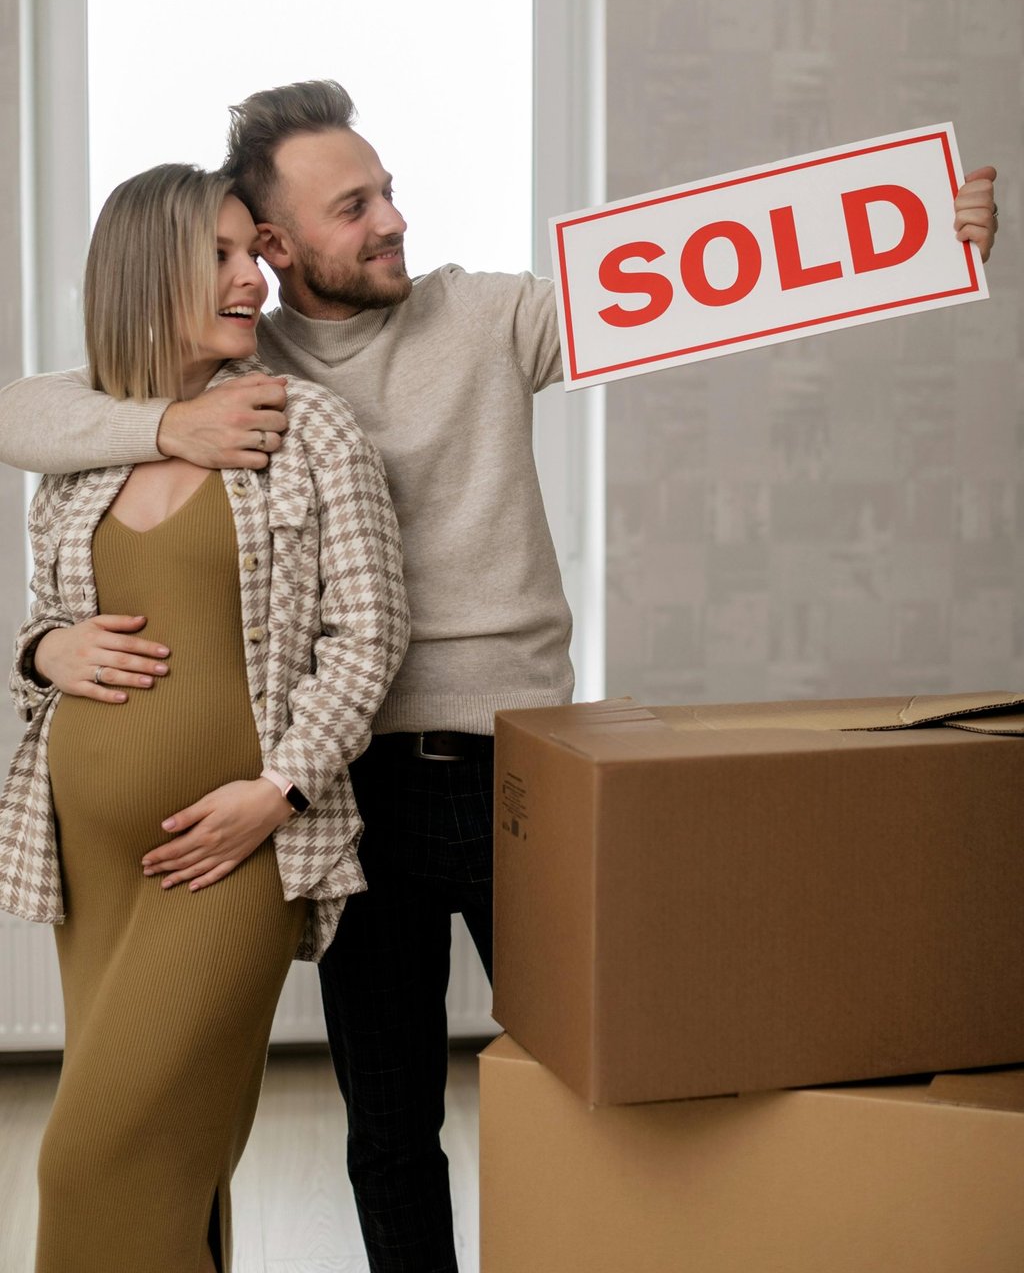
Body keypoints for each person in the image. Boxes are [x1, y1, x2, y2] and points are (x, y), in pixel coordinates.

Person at [0, 85, 999, 1273]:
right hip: (342, 780)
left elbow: (703, 292)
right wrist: (162, 441)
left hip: (500, 770)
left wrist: (907, 235)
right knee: (388, 1120)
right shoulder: (232, 353)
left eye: (389, 191)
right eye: (354, 205)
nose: (391, 221)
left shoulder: (481, 317)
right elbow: (38, 410)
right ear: (273, 245)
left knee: (607, 1071)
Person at [0, 161, 409, 1273]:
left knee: (88, 1157)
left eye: (254, 254)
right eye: (220, 257)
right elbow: (41, 620)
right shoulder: (90, 450)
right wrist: (48, 647)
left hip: (232, 848)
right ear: (144, 275)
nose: (252, 279)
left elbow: (369, 636)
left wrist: (275, 796)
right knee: (174, 1160)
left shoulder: (307, 427)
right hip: (90, 859)